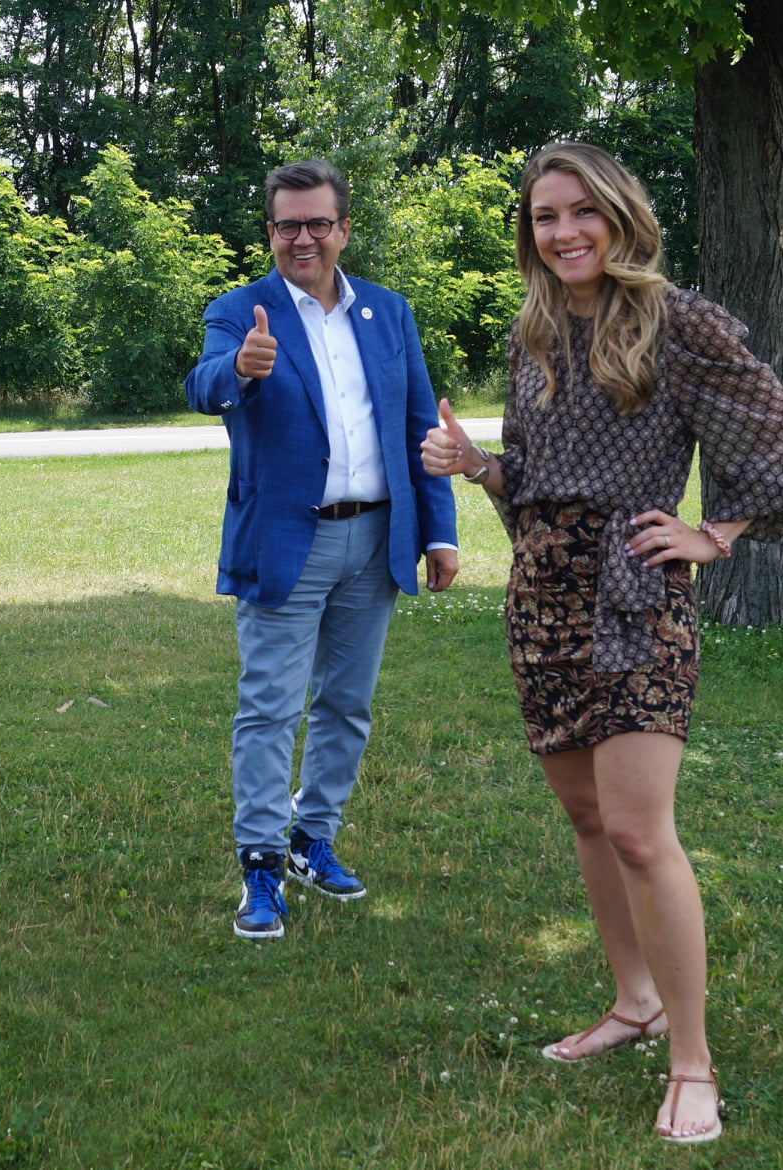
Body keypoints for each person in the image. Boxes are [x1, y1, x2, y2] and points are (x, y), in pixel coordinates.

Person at [421, 143, 783, 1144]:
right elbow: (541, 477)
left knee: (640, 831)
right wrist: (478, 467)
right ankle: (630, 1001)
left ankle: (691, 1061)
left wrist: (714, 533)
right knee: (589, 823)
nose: (561, 232)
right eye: (543, 216)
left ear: (618, 217)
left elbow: (780, 441)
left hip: (636, 599)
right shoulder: (533, 331)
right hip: (541, 598)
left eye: (578, 212)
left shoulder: (679, 326)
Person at [184, 159, 459, 941]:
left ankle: (313, 839)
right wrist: (239, 369)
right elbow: (202, 383)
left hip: (376, 539)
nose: (301, 238)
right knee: (268, 709)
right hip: (285, 541)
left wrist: (436, 531)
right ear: (267, 232)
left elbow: (419, 427)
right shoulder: (242, 310)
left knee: (346, 704)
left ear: (342, 229)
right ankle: (262, 866)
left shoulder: (387, 313)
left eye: (316, 224)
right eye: (285, 225)